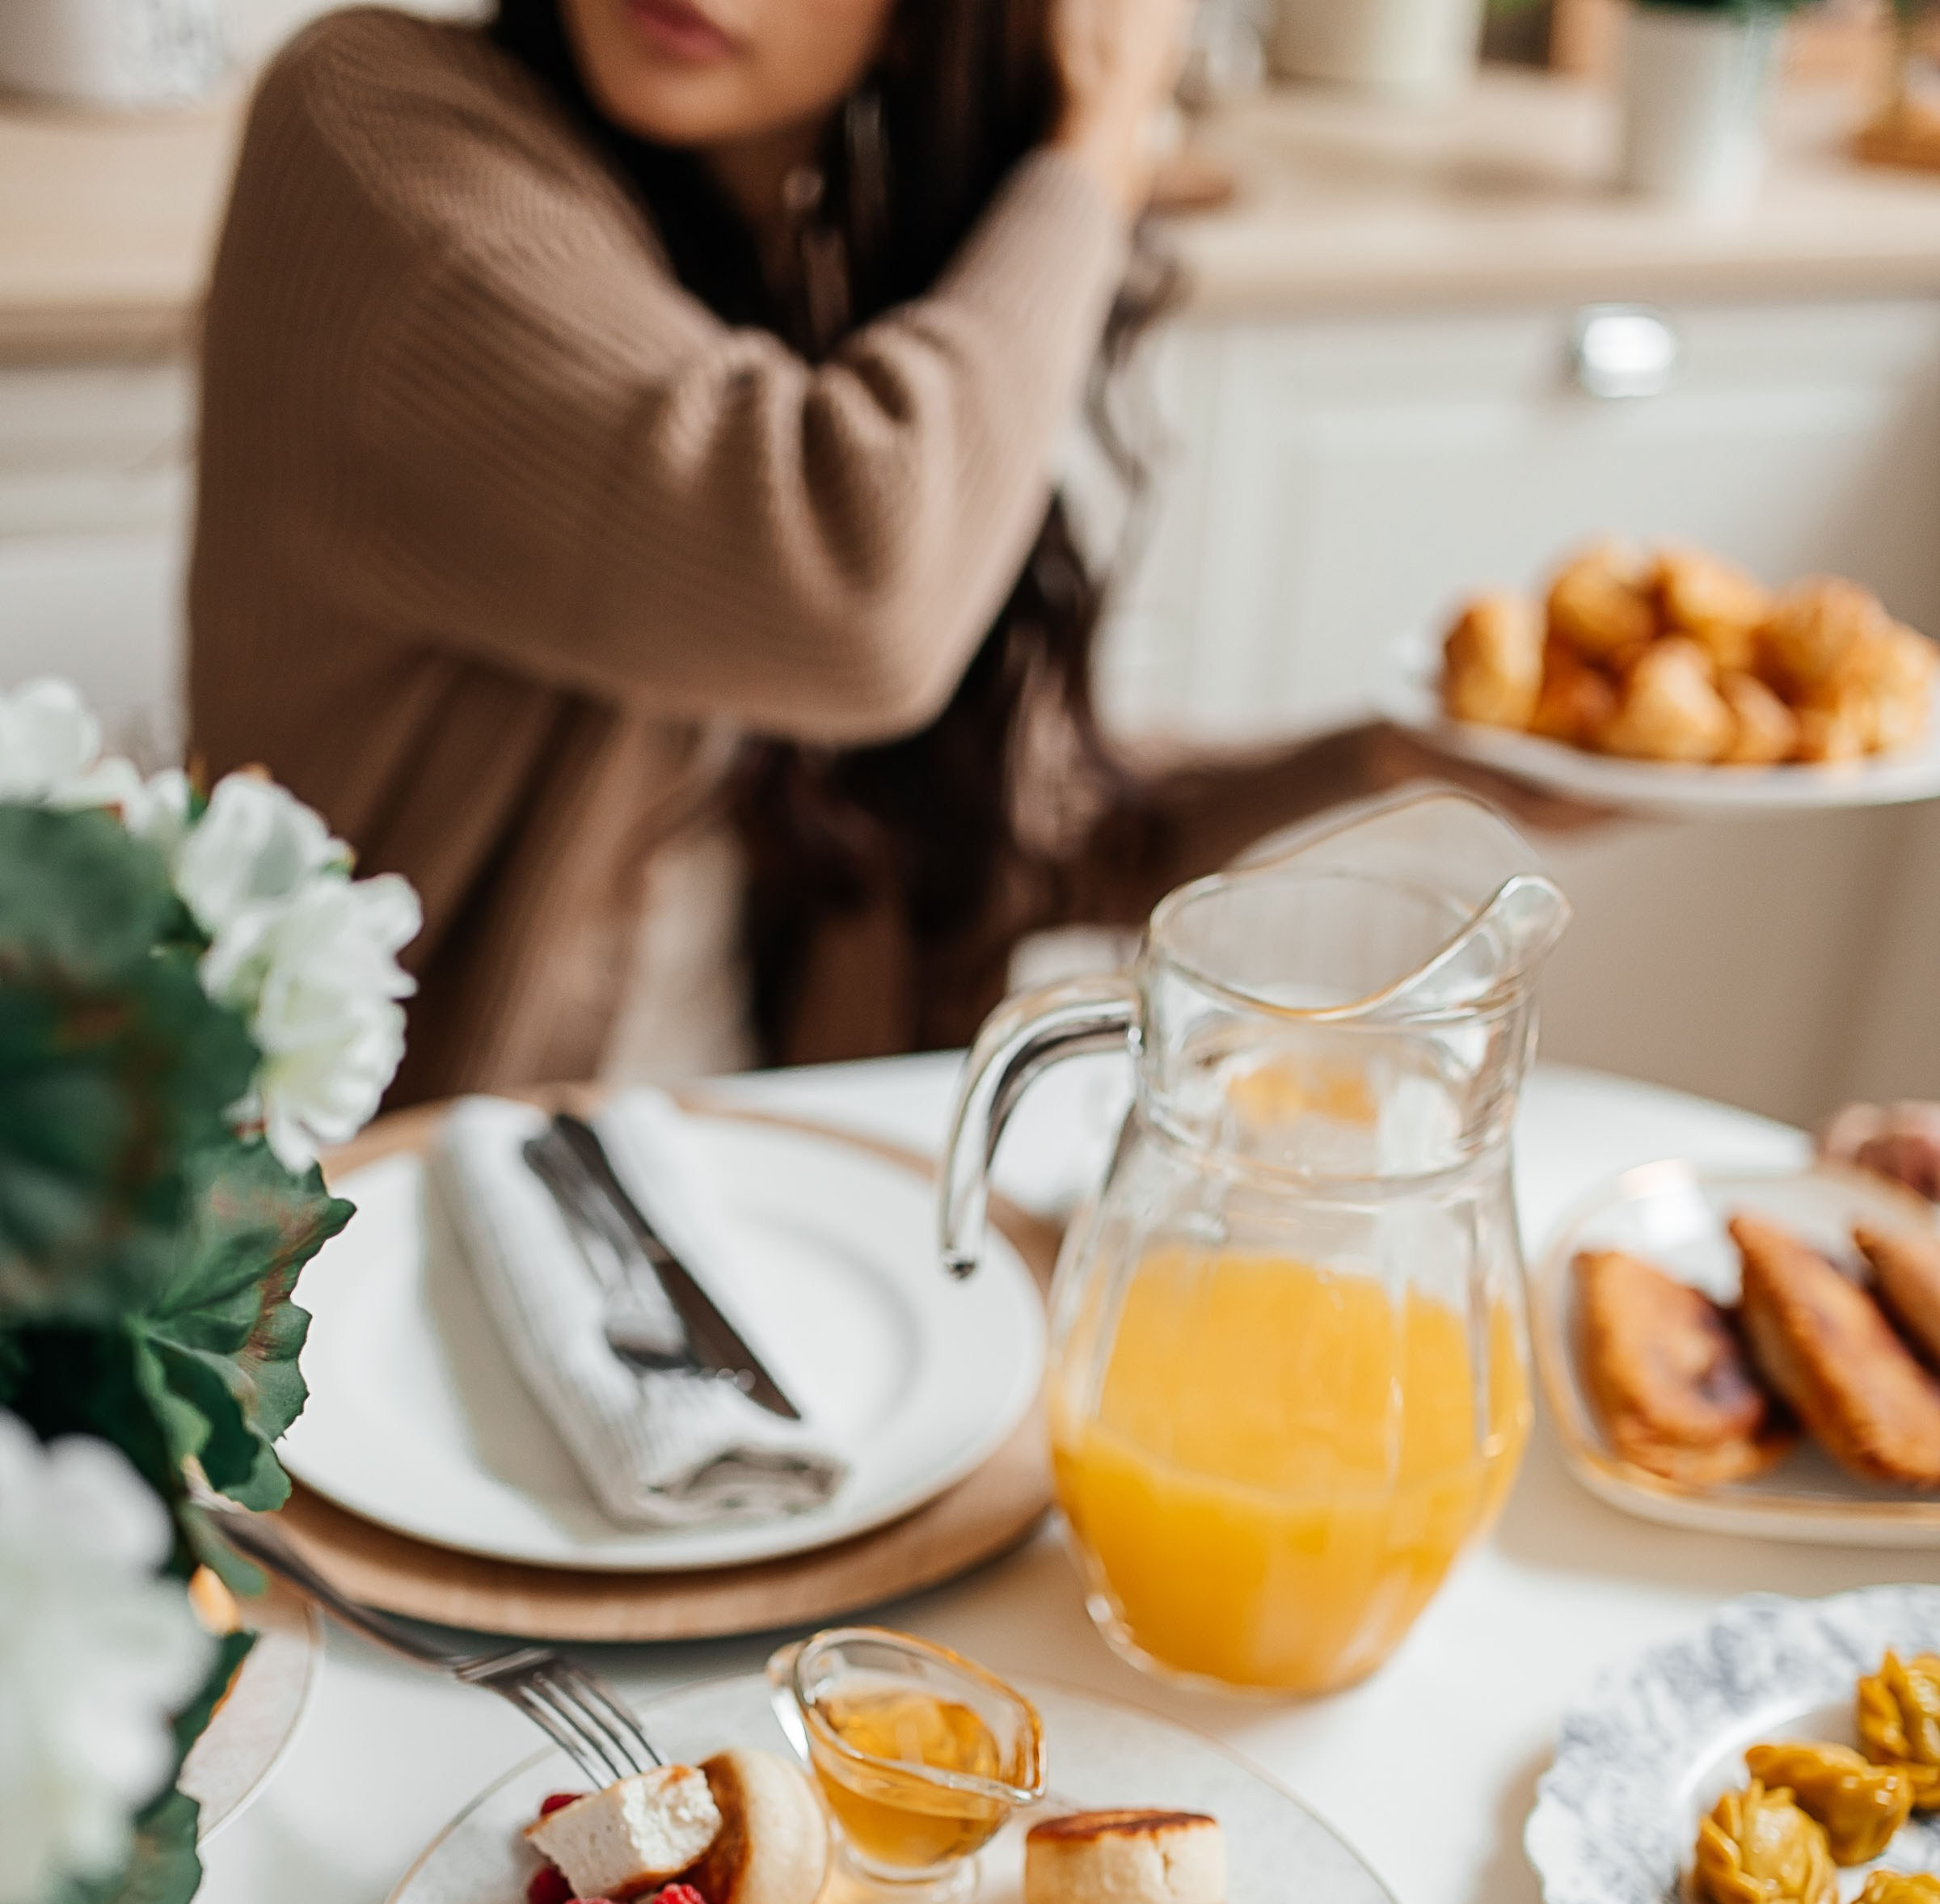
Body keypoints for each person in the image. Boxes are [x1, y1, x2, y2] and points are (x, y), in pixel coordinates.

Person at [189, 0, 1523, 1104]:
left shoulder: (821, 274)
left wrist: (1389, 756)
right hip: (391, 1261)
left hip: (755, 1199)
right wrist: (1097, 155)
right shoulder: (370, 134)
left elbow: (980, 839)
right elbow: (855, 595)